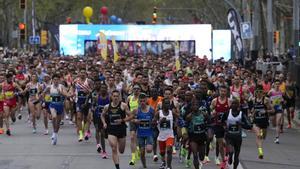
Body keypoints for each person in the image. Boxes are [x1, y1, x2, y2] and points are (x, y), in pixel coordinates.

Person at [101, 90, 133, 169]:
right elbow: (102, 115)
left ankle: (119, 143)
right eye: (114, 96)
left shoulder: (123, 105)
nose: (115, 98)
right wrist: (104, 123)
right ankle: (117, 167)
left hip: (121, 129)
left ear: (119, 97)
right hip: (111, 130)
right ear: (111, 97)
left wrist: (122, 120)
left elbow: (131, 116)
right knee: (114, 148)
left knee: (121, 151)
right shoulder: (107, 107)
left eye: (117, 96)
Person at [223, 99, 252, 169]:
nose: (234, 105)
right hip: (229, 136)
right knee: (231, 151)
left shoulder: (241, 114)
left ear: (238, 105)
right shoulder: (227, 113)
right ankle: (230, 156)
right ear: (230, 105)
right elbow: (222, 121)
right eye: (233, 104)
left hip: (238, 137)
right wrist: (225, 127)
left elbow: (249, 125)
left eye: (236, 104)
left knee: (236, 156)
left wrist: (241, 123)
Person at [44, 74, 71, 145]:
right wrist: (42, 101)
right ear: (52, 80)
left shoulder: (61, 87)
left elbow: (67, 95)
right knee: (54, 117)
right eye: (54, 80)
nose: (56, 81)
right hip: (52, 105)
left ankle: (55, 134)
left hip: (60, 105)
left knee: (58, 123)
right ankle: (53, 132)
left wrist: (61, 93)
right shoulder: (49, 87)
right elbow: (43, 94)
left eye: (57, 80)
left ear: (59, 80)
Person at [154, 98, 179, 169]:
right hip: (161, 135)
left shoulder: (172, 112)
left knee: (169, 150)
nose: (167, 105)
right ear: (163, 104)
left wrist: (176, 123)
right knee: (162, 152)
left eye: (169, 103)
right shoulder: (159, 113)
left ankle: (169, 166)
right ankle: (163, 162)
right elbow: (153, 123)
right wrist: (160, 121)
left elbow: (178, 118)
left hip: (170, 135)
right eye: (166, 103)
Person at [132, 93, 155, 168]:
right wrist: (135, 120)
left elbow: (156, 119)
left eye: (143, 101)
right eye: (140, 101)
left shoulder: (151, 110)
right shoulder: (136, 110)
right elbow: (131, 118)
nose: (142, 103)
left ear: (146, 101)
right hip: (140, 134)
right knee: (142, 153)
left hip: (149, 133)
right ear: (138, 101)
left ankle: (146, 146)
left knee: (149, 150)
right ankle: (144, 165)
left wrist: (154, 122)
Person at [251, 85, 274, 159]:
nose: (258, 93)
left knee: (263, 136)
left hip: (264, 121)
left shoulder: (266, 100)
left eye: (260, 92)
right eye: (257, 92)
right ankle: (260, 152)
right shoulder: (253, 100)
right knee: (258, 136)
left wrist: (266, 111)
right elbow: (254, 109)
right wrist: (251, 114)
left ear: (262, 92)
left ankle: (260, 147)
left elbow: (273, 110)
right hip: (256, 121)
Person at [210, 85, 231, 168]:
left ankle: (228, 153)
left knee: (227, 143)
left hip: (226, 125)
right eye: (221, 91)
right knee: (220, 144)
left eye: (224, 91)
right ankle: (223, 160)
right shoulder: (214, 101)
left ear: (227, 92)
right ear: (219, 91)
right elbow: (211, 110)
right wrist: (213, 112)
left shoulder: (229, 101)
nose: (222, 93)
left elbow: (232, 112)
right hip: (217, 124)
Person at [185, 101, 209, 169]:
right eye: (193, 105)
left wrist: (208, 132)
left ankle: (201, 160)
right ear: (191, 107)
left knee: (201, 157)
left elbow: (209, 123)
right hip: (193, 137)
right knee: (195, 155)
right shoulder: (189, 116)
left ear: (199, 106)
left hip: (202, 137)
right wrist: (185, 134)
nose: (195, 106)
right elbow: (185, 126)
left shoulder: (204, 114)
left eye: (196, 104)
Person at [74, 68, 93, 142]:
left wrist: (88, 91)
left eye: (84, 73)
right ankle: (81, 134)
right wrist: (71, 94)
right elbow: (72, 89)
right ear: (79, 73)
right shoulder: (76, 81)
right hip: (79, 101)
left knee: (86, 119)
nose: (82, 74)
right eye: (81, 72)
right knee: (79, 117)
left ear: (86, 74)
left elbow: (93, 91)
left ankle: (86, 131)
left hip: (87, 101)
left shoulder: (89, 81)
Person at [92, 83, 109, 158]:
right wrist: (93, 108)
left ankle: (102, 146)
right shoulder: (96, 97)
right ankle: (104, 151)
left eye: (105, 88)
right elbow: (93, 105)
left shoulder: (109, 98)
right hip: (98, 117)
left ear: (106, 89)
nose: (103, 89)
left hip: (107, 118)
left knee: (105, 135)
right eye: (102, 88)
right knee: (100, 132)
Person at [127, 84, 140, 165]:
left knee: (139, 137)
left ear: (139, 90)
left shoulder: (142, 98)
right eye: (134, 89)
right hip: (132, 119)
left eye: (137, 89)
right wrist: (130, 117)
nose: (136, 90)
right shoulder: (129, 98)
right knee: (132, 137)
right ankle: (133, 157)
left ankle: (138, 149)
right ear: (132, 90)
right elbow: (127, 109)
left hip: (140, 119)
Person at [268, 80, 284, 144]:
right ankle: (274, 124)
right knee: (274, 123)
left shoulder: (280, 92)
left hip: (279, 108)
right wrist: (270, 105)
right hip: (272, 109)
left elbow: (282, 99)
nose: (277, 85)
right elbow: (266, 99)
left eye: (278, 84)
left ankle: (277, 138)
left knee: (278, 122)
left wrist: (282, 101)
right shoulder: (271, 91)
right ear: (274, 85)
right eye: (276, 84)